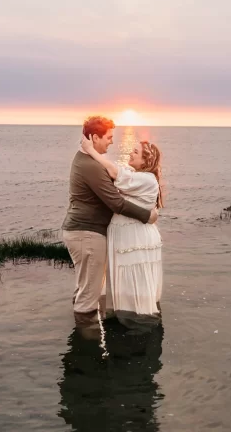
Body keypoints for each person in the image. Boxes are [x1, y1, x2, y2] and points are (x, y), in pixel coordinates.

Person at [61, 116, 158, 322]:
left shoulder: (86, 159)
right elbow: (116, 203)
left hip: (82, 232)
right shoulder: (91, 166)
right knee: (89, 294)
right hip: (87, 234)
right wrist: (147, 215)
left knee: (85, 286)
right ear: (95, 138)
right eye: (108, 137)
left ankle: (85, 334)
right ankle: (87, 340)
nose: (112, 141)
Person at [80, 134, 163, 329]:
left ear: (146, 161)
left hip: (135, 237)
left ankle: (137, 325)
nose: (130, 153)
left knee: (134, 280)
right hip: (126, 235)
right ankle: (124, 320)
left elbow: (115, 172)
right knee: (125, 280)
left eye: (136, 152)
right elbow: (113, 169)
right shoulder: (135, 174)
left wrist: (91, 150)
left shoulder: (147, 179)